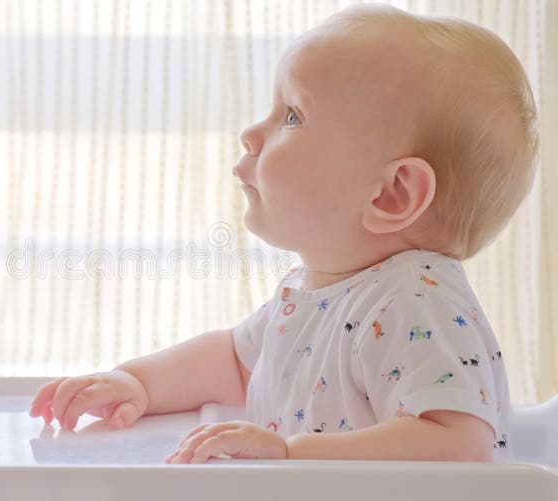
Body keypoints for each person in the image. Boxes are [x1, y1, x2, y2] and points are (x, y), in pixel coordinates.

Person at [29, 3, 538, 464]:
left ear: (392, 195)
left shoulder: (413, 300)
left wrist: (291, 454)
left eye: (292, 115)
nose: (252, 133)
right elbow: (235, 359)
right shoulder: (316, 290)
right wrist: (138, 382)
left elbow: (456, 443)